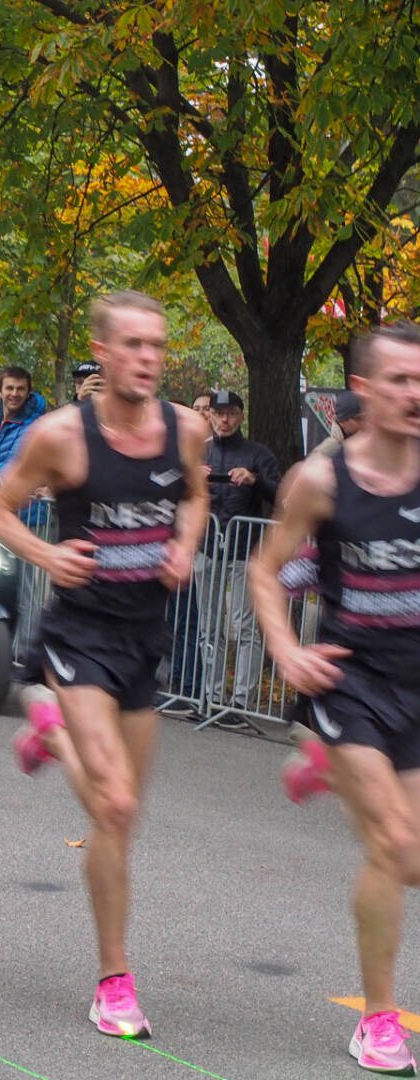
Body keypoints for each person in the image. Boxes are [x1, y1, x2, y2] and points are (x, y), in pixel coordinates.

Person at [0, 290, 209, 1040]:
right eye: (134, 345)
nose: (149, 359)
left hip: (144, 635)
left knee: (123, 817)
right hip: (79, 637)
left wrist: (186, 543)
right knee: (109, 803)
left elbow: (197, 497)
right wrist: (47, 553)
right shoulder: (60, 436)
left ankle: (47, 730)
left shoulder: (188, 431)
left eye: (158, 346)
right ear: (103, 354)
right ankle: (114, 978)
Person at [249, 322, 420, 1076]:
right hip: (351, 681)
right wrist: (286, 649)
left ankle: (322, 765)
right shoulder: (322, 481)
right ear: (365, 389)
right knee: (396, 847)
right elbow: (265, 571)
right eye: (399, 381)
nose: (414, 394)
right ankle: (379, 1020)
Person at [195, 389, 281, 720]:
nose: (225, 419)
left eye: (231, 413)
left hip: (245, 551)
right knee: (209, 628)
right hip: (206, 548)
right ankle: (211, 698)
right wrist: (192, 479)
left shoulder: (258, 453)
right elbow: (174, 490)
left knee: (245, 628)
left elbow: (281, 494)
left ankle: (240, 705)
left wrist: (255, 479)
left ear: (241, 416)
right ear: (211, 416)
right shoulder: (198, 451)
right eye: (219, 413)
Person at [0, 365, 47, 487]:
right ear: (0, 392)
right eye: (9, 388)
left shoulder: (34, 426)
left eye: (20, 389)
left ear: (28, 394)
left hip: (21, 502)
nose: (15, 393)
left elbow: (13, 466)